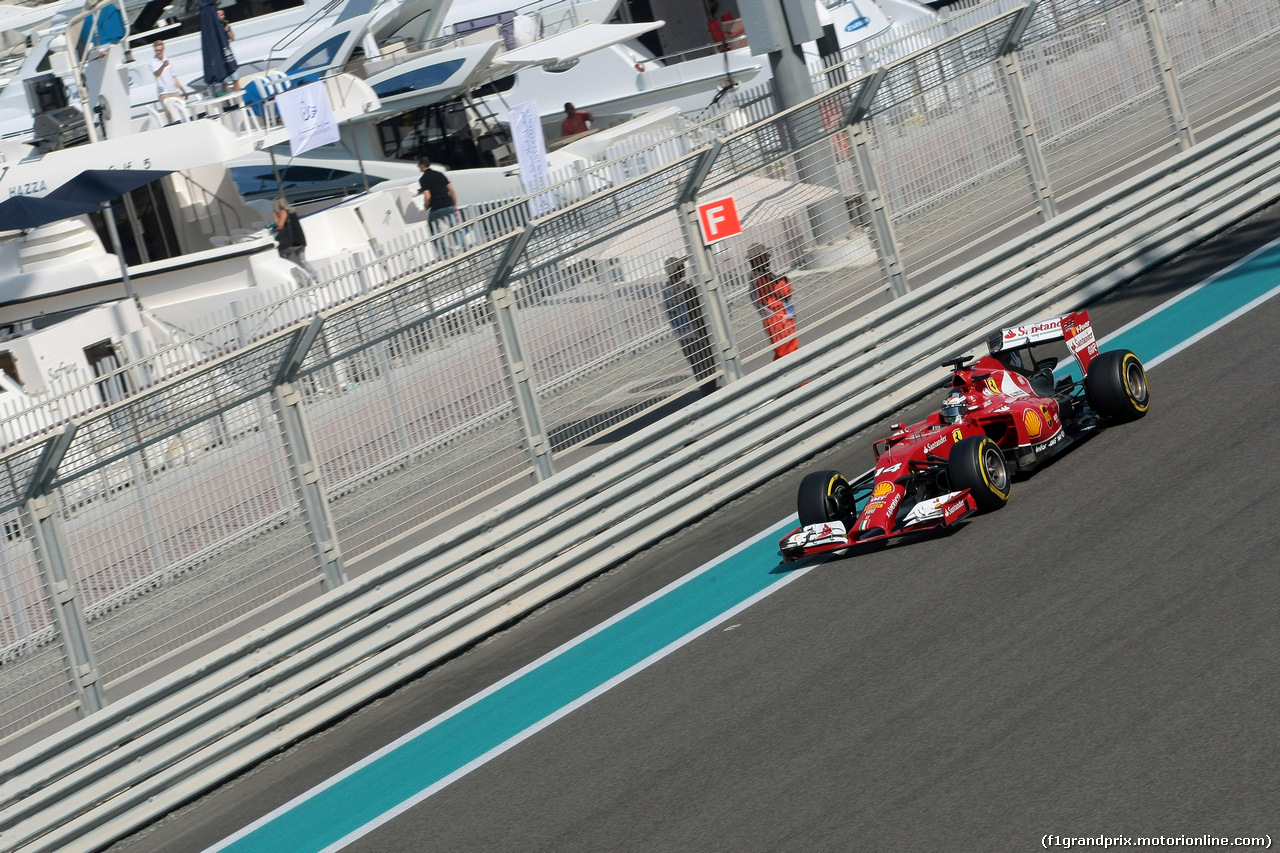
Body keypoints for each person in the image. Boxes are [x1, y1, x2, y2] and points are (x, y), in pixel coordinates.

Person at [663, 257, 717, 394]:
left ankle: (707, 393)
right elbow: (697, 311)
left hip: (682, 335)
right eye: (681, 266)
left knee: (697, 367)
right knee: (707, 367)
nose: (684, 268)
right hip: (696, 333)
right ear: (676, 270)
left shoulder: (666, 291)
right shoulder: (687, 289)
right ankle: (711, 395)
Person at [747, 244, 798, 360]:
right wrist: (784, 281)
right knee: (788, 353)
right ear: (757, 259)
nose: (769, 257)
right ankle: (798, 377)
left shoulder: (757, 277)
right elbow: (784, 292)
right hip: (779, 319)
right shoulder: (761, 279)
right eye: (765, 255)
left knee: (785, 353)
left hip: (776, 318)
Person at [418, 156, 460, 255]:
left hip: (436, 209)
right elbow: (451, 190)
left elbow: (428, 196)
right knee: (455, 228)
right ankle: (463, 247)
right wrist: (454, 205)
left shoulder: (423, 179)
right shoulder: (440, 174)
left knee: (433, 230)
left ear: (422, 165)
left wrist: (426, 206)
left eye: (418, 165)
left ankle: (444, 252)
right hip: (448, 205)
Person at [273, 198, 316, 279]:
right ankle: (314, 276)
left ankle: (291, 277)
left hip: (291, 242)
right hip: (300, 240)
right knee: (302, 261)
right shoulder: (293, 212)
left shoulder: (283, 212)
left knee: (281, 256)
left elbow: (280, 226)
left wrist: (275, 217)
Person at [151, 41, 187, 122]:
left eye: (160, 50)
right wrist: (163, 66)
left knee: (182, 110)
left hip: (174, 91)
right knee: (170, 113)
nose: (158, 52)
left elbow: (174, 77)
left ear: (163, 49)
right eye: (156, 50)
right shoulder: (153, 63)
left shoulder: (169, 60)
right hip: (164, 93)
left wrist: (183, 90)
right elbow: (157, 74)